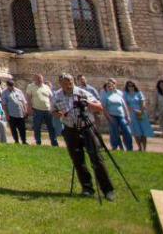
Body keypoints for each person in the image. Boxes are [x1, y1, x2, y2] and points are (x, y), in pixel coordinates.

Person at [53, 73, 115, 201]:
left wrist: (87, 104)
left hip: (87, 128)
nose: (69, 85)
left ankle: (108, 190)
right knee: (78, 160)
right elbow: (53, 111)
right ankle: (87, 188)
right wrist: (61, 115)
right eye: (65, 83)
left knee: (97, 159)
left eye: (70, 82)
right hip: (70, 130)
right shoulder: (57, 96)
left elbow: (99, 107)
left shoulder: (82, 93)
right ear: (61, 84)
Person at [99, 79, 133, 151]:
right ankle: (115, 147)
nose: (110, 87)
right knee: (114, 132)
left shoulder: (118, 95)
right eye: (108, 86)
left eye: (111, 86)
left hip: (121, 115)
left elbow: (124, 106)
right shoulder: (105, 96)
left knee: (127, 131)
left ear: (114, 86)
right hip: (112, 116)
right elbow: (104, 108)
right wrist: (109, 117)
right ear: (106, 87)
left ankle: (129, 147)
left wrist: (128, 116)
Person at [27, 74, 58, 147]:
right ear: (35, 79)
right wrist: (29, 107)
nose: (40, 80)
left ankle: (54, 142)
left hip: (48, 110)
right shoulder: (30, 86)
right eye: (38, 79)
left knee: (51, 127)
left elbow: (51, 97)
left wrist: (52, 107)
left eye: (41, 79)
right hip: (37, 110)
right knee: (37, 127)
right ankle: (38, 142)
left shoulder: (46, 87)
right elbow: (28, 97)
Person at [123, 80, 152, 152]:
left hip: (141, 113)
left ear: (134, 86)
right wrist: (132, 110)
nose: (131, 87)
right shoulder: (125, 94)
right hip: (132, 114)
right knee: (135, 132)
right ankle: (139, 147)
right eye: (129, 86)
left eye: (132, 85)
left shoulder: (139, 93)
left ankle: (144, 148)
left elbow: (143, 102)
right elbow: (125, 104)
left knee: (143, 131)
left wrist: (141, 111)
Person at [1, 79, 28, 144]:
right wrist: (7, 114)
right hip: (11, 114)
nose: (12, 87)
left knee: (22, 129)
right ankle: (16, 141)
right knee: (13, 129)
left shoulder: (19, 91)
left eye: (12, 85)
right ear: (7, 85)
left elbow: (23, 102)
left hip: (20, 113)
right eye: (10, 85)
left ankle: (24, 141)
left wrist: (25, 110)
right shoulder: (4, 93)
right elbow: (4, 105)